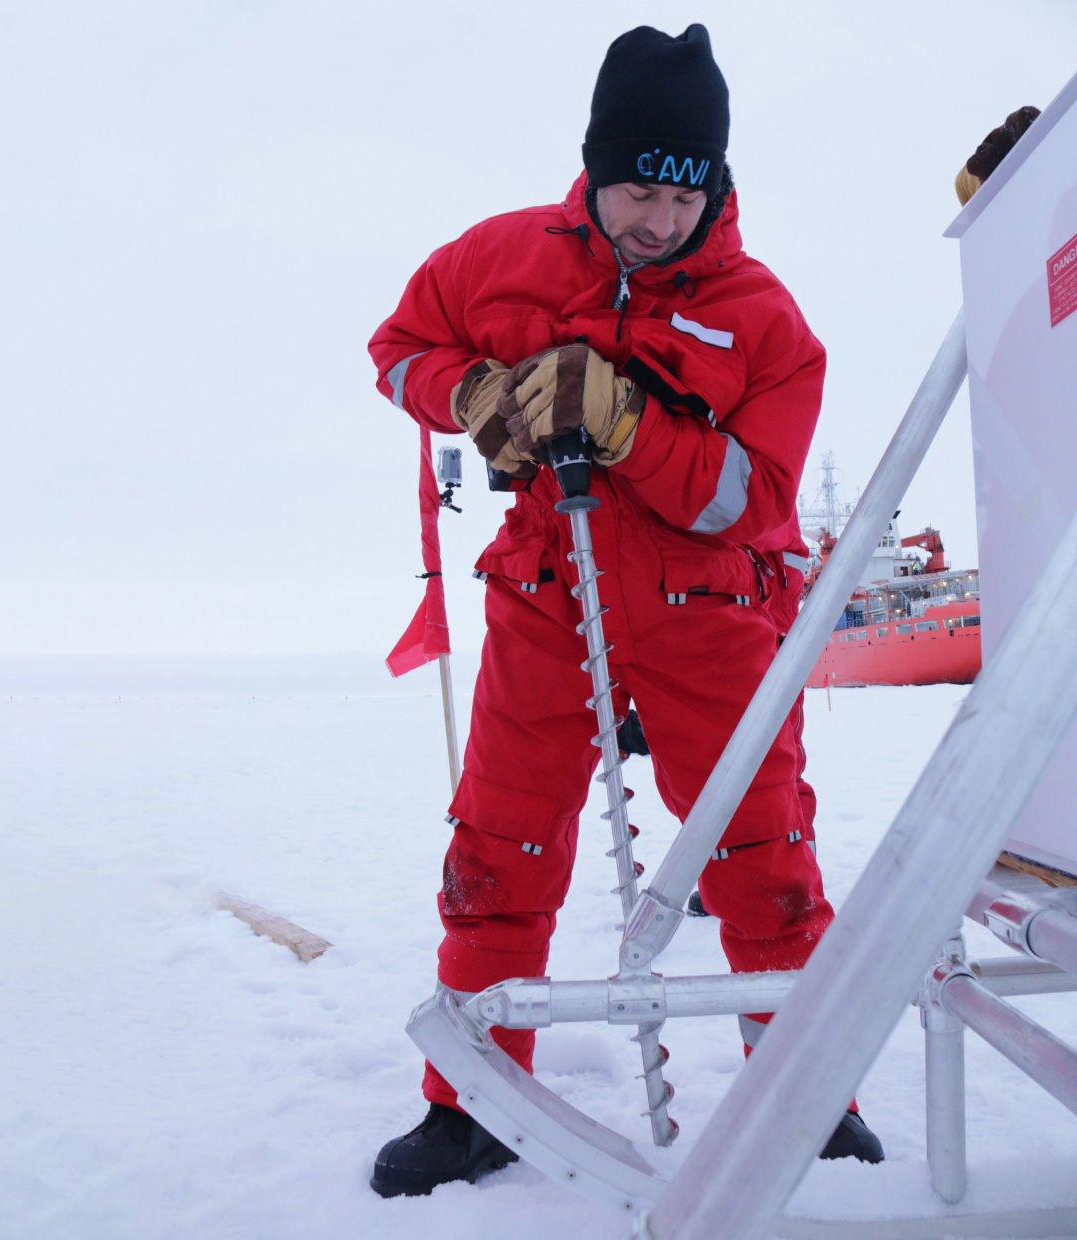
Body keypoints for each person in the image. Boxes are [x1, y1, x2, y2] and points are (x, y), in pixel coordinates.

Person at [367, 24, 883, 1198]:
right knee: (497, 850)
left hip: (712, 611)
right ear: (592, 167)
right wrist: (471, 393)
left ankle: (812, 1099)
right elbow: (395, 349)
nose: (655, 222)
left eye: (682, 196)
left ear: (718, 189)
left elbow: (751, 496)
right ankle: (472, 1107)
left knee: (764, 858)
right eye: (635, 189)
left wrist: (632, 428)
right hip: (547, 591)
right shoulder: (494, 259)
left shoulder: (766, 321)